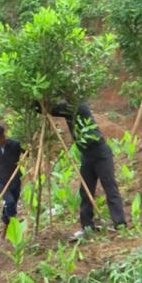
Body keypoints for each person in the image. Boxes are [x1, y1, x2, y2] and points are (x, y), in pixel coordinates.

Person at [34, 98, 127, 240]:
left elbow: (53, 109)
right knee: (85, 190)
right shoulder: (69, 108)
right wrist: (35, 102)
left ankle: (120, 223)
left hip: (100, 152)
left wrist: (41, 103)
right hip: (87, 155)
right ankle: (87, 226)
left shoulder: (79, 106)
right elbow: (47, 110)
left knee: (109, 186)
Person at [0, 123, 26, 241]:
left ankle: (3, 235)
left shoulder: (15, 144)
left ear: (2, 136)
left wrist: (30, 149)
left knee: (9, 206)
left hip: (15, 180)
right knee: (9, 203)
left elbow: (27, 153)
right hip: (2, 181)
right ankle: (16, 229)